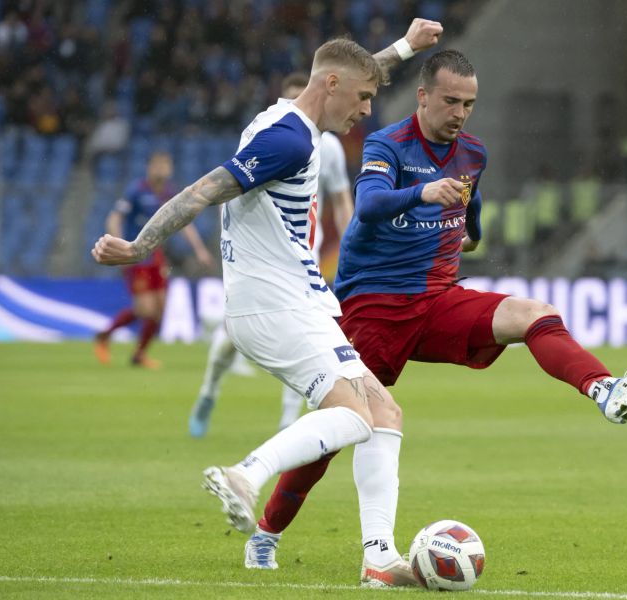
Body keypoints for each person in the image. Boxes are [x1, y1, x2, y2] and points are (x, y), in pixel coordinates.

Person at [242, 50, 627, 585]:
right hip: (375, 308)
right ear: (424, 96)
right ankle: (267, 532)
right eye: (450, 100)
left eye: (469, 103)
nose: (459, 113)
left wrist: (470, 225)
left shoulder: (473, 152)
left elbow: (472, 214)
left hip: (438, 300)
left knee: (533, 314)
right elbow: (373, 205)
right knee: (343, 430)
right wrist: (424, 193)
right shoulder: (388, 144)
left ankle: (605, 390)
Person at [91, 21, 444, 588]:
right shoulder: (290, 141)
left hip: (294, 301)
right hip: (276, 305)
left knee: (385, 416)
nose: (366, 110)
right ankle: (245, 475)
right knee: (355, 418)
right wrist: (140, 245)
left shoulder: (285, 114)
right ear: (330, 87)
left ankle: (379, 559)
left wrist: (403, 48)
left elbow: (351, 68)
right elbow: (203, 189)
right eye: (362, 98)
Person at [189, 72, 356, 437]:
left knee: (309, 340)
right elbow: (230, 190)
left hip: (303, 260)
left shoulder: (328, 147)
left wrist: (353, 244)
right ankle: (209, 391)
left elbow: (342, 200)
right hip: (262, 262)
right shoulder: (275, 137)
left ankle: (286, 423)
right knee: (229, 343)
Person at [94, 151, 213, 369]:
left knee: (160, 308)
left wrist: (199, 250)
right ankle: (105, 335)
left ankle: (139, 354)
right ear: (149, 168)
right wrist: (117, 245)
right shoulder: (137, 191)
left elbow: (184, 222)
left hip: (156, 256)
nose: (162, 169)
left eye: (166, 165)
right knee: (145, 310)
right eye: (158, 165)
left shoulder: (169, 193)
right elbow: (114, 217)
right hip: (135, 255)